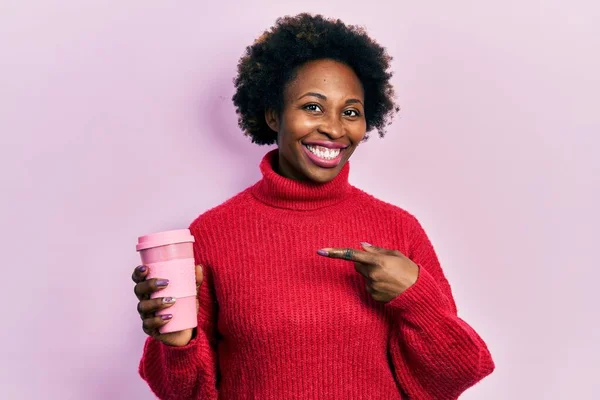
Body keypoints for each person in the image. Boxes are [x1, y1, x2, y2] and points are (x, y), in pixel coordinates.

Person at [132, 13, 494, 400]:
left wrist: (415, 296)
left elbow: (454, 376)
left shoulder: (398, 228)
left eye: (351, 112)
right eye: (313, 107)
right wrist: (177, 343)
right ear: (273, 115)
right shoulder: (212, 232)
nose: (335, 129)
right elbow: (184, 394)